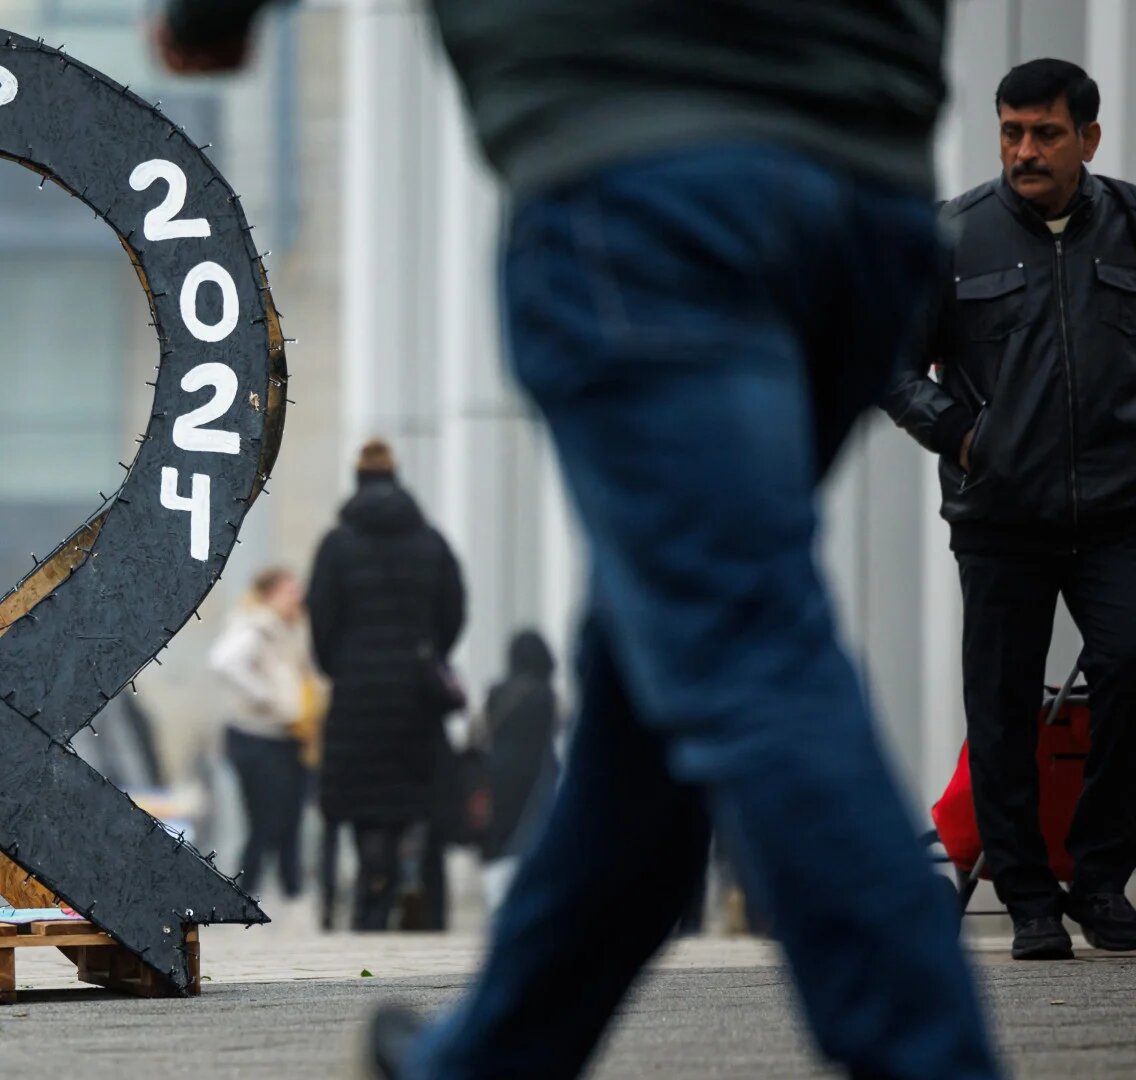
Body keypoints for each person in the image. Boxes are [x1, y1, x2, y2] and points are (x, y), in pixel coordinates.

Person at [155, 2, 999, 1078]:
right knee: (649, 695)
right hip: (864, 182)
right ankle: (492, 1056)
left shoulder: (338, 561)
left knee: (740, 644)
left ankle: (935, 1056)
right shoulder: (423, 558)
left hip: (643, 179)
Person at [883, 59, 1136, 961]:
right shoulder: (952, 236)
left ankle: (1101, 880)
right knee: (998, 709)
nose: (1025, 151)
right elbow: (891, 363)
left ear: (1089, 139)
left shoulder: (1132, 225)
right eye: (1011, 132)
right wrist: (962, 439)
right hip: (1000, 519)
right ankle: (1028, 897)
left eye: (1046, 134)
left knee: (1130, 667)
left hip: (1119, 513)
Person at [306, 439, 465, 932]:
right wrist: (426, 654)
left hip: (357, 694)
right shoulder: (433, 543)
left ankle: (372, 895)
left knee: (364, 803)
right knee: (415, 798)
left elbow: (321, 620)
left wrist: (343, 667)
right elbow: (454, 615)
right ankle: (420, 899)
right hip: (417, 697)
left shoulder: (336, 545)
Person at [208, 566, 317, 902]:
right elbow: (223, 662)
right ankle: (248, 885)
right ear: (269, 594)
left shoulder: (291, 629)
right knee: (265, 819)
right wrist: (265, 696)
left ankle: (289, 887)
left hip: (287, 736)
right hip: (257, 736)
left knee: (289, 819)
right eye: (289, 590)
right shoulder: (256, 626)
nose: (296, 598)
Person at [473, 631, 560, 909]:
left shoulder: (496, 692)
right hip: (536, 776)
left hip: (498, 773)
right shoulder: (546, 695)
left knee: (498, 840)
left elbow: (478, 732)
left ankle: (499, 902)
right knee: (530, 839)